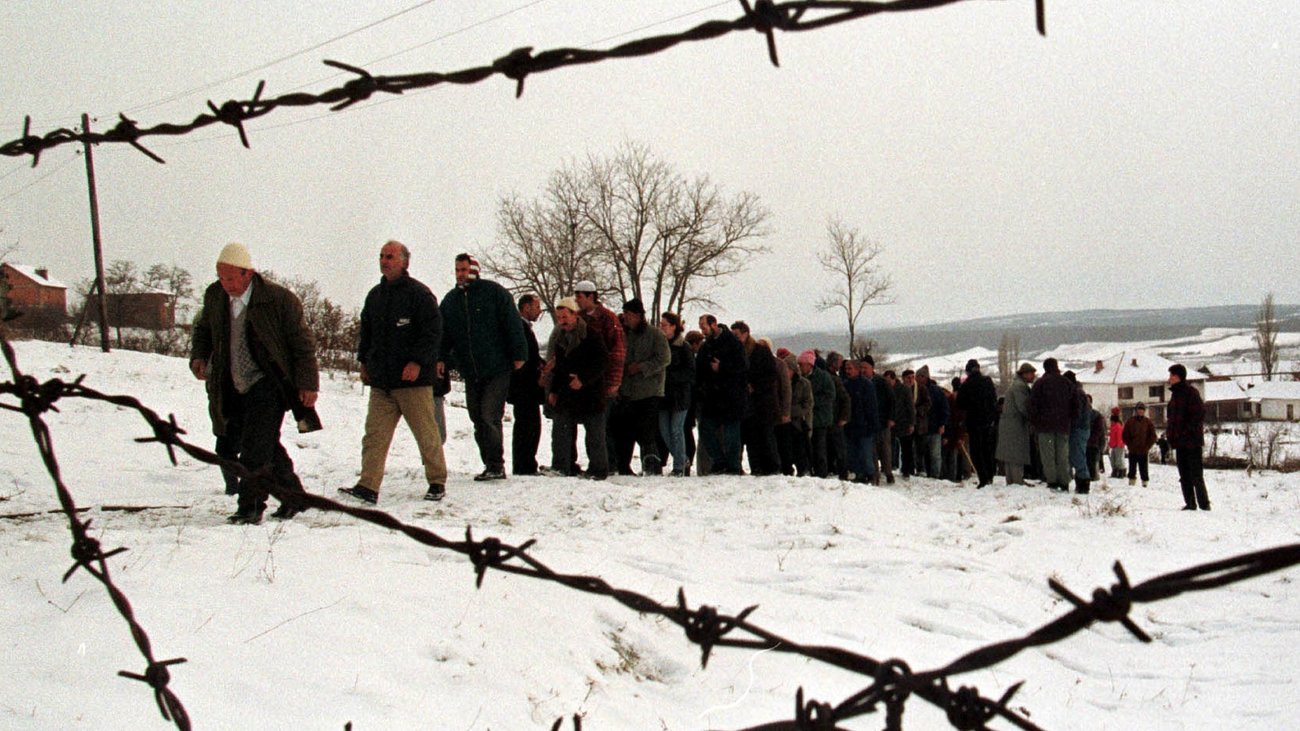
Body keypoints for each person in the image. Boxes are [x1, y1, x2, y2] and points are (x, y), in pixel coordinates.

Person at [190, 242, 319, 524]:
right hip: (232, 383)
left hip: (269, 381)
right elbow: (204, 329)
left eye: (231, 278)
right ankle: (293, 496)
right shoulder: (215, 296)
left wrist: (308, 384)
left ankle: (250, 506)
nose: (226, 284)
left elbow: (302, 344)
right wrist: (199, 355)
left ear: (248, 273)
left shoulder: (278, 300)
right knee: (262, 443)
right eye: (221, 277)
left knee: (254, 449)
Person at [339, 240, 448, 505]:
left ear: (404, 262)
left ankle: (437, 481)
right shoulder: (375, 296)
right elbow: (367, 334)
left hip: (413, 383)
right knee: (374, 436)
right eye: (382, 256)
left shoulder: (420, 295)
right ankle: (368, 486)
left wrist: (417, 363)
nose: (385, 261)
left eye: (390, 256)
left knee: (426, 434)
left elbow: (432, 334)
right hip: (382, 383)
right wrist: (363, 361)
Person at [438, 253, 528, 482]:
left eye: (464, 269)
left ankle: (497, 465)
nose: (460, 274)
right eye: (457, 270)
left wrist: (519, 354)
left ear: (475, 269)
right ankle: (488, 462)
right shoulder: (450, 301)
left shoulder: (494, 293)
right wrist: (441, 359)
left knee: (490, 415)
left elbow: (512, 324)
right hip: (470, 370)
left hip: (497, 367)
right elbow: (444, 334)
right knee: (476, 417)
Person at [547, 297, 609, 480]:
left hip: (590, 392)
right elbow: (558, 366)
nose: (562, 321)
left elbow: (603, 361)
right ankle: (562, 465)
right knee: (561, 430)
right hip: (566, 391)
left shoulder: (591, 334)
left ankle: (598, 469)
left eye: (565, 316)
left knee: (595, 435)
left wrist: (583, 378)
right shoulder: (559, 336)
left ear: (575, 315)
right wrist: (553, 390)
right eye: (559, 317)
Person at [615, 298, 670, 474]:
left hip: (649, 391)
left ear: (638, 316)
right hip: (627, 392)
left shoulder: (655, 334)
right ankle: (623, 466)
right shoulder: (623, 334)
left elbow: (664, 359)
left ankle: (652, 466)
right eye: (624, 315)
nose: (626, 318)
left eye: (629, 315)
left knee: (646, 432)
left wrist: (641, 367)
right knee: (625, 431)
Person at [695, 314, 747, 474]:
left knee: (732, 434)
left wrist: (722, 368)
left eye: (704, 327)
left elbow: (743, 368)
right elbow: (700, 370)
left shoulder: (733, 343)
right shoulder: (706, 346)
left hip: (731, 396)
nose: (702, 331)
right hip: (712, 397)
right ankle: (719, 461)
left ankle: (733, 466)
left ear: (713, 324)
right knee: (705, 429)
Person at [508, 293, 545, 476]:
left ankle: (525, 464)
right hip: (525, 387)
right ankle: (525, 465)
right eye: (537, 307)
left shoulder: (523, 326)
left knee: (529, 425)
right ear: (527, 307)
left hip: (525, 387)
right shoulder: (520, 327)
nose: (539, 311)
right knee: (527, 427)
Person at [1166, 363, 1210, 511]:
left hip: (1192, 442)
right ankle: (1190, 503)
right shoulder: (1174, 395)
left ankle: (1204, 505)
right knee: (1184, 475)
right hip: (1180, 443)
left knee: (1196, 475)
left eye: (1172, 375)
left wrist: (1186, 431)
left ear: (1179, 377)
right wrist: (1171, 436)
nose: (1170, 378)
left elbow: (1198, 415)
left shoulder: (1191, 393)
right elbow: (1172, 420)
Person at [1029, 357, 1075, 492]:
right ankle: (1064, 481)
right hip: (1063, 425)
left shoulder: (1040, 384)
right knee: (1062, 455)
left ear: (1045, 368)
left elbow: (1032, 406)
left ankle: (1052, 481)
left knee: (1048, 456)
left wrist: (1036, 422)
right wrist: (1070, 419)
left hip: (1045, 427)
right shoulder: (1066, 383)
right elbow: (1075, 404)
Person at [657, 313, 695, 476]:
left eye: (664, 324)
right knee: (664, 431)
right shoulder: (660, 345)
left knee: (676, 430)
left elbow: (690, 373)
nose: (662, 327)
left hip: (679, 396)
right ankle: (682, 458)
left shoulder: (684, 347)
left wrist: (670, 375)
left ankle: (679, 466)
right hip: (663, 395)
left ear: (673, 326)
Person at [955, 359, 997, 488]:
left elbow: (959, 403)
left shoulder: (967, 385)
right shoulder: (987, 381)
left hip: (973, 422)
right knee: (987, 449)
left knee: (976, 451)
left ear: (968, 371)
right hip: (987, 421)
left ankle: (983, 478)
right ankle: (990, 475)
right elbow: (993, 400)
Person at [996, 362, 1036, 485]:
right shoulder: (1020, 387)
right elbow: (1023, 406)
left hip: (1009, 423)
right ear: (1025, 374)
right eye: (1031, 374)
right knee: (1017, 454)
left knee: (1010, 454)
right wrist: (1033, 418)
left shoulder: (1015, 384)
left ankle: (1011, 479)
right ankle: (1017, 480)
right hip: (1016, 424)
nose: (1033, 376)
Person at [801, 349, 835, 478]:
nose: (800, 367)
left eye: (802, 364)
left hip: (820, 419)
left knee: (820, 449)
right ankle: (809, 470)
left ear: (809, 365)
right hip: (805, 419)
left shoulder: (823, 377)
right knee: (808, 448)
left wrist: (813, 402)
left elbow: (830, 395)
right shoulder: (801, 378)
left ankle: (821, 474)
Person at [863, 356, 895, 484]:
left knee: (885, 449)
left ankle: (888, 472)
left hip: (882, 420)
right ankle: (875, 475)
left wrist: (891, 418)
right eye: (861, 368)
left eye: (865, 368)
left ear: (872, 368)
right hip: (869, 423)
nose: (863, 370)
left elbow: (892, 400)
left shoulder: (881, 382)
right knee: (872, 450)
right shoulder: (862, 382)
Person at [887, 370, 915, 480]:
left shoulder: (904, 389)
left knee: (906, 448)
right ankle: (891, 466)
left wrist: (912, 423)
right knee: (890, 447)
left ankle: (906, 469)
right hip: (892, 423)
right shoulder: (887, 389)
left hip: (904, 422)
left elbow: (910, 407)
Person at [1122, 402, 1157, 486]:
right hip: (1133, 450)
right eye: (1139, 409)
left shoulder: (1148, 422)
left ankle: (1144, 484)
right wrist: (1130, 445)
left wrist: (1147, 446)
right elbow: (1125, 435)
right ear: (1136, 410)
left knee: (1144, 469)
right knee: (1132, 468)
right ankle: (1131, 482)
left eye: (1142, 410)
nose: (1140, 411)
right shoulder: (1130, 421)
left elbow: (1153, 436)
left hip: (1143, 450)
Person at [1107, 408, 1126, 479]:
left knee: (1118, 459)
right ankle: (1116, 471)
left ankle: (1120, 471)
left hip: (1118, 445)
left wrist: (1119, 444)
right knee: (1114, 459)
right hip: (1115, 445)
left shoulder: (1117, 426)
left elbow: (1119, 436)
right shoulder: (1114, 426)